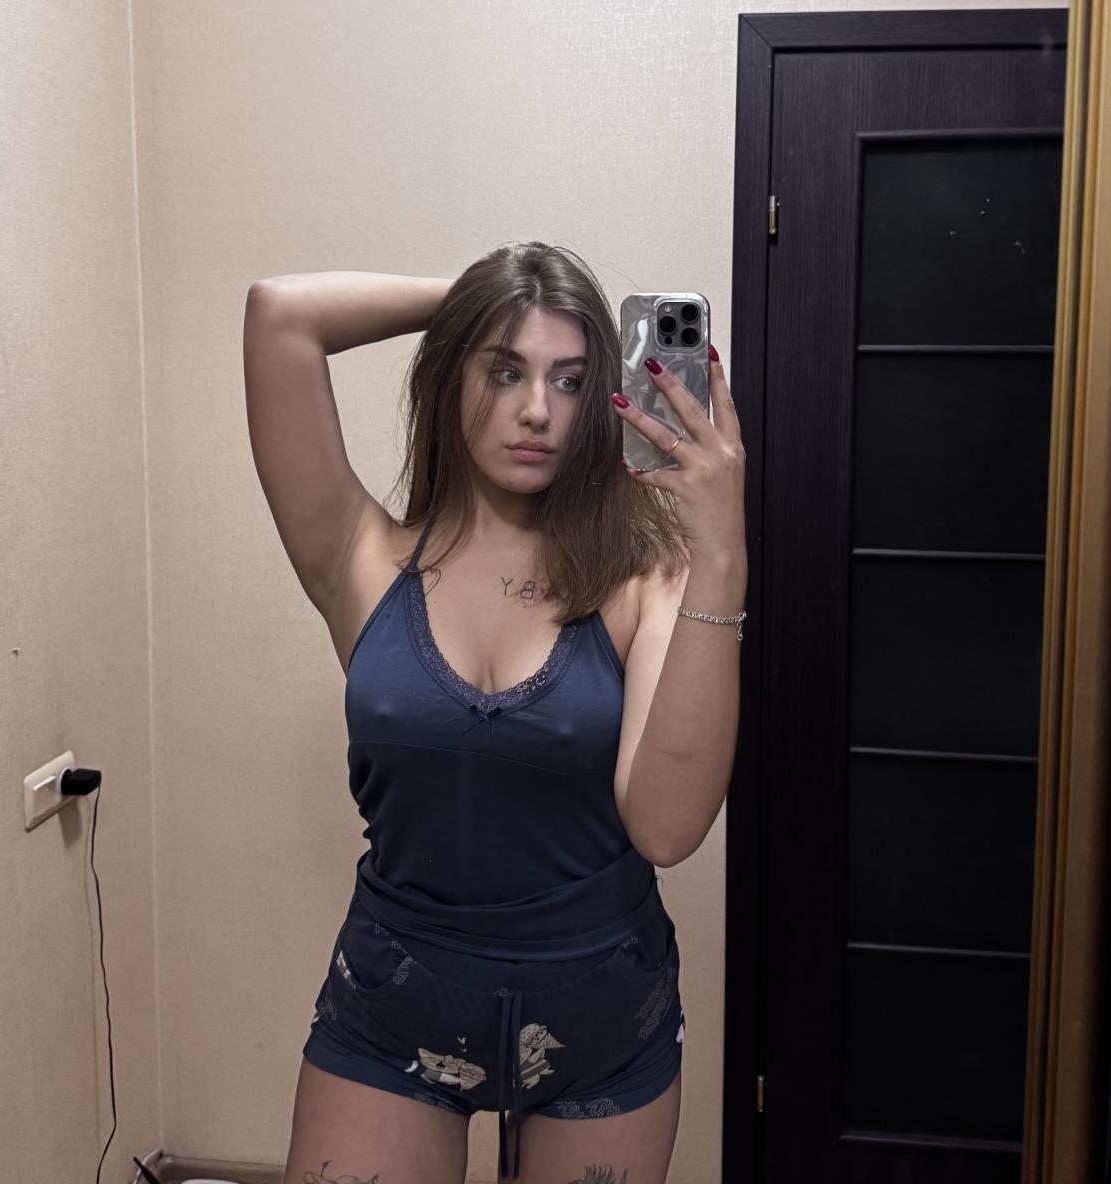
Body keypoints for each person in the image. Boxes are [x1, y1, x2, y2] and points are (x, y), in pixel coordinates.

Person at [242, 242, 747, 1184]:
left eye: (571, 378)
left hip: (602, 1021)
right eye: (505, 370)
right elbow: (281, 316)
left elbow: (668, 828)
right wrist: (492, 296)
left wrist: (721, 552)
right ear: (453, 377)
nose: (537, 410)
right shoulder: (360, 557)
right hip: (395, 1007)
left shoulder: (649, 580)